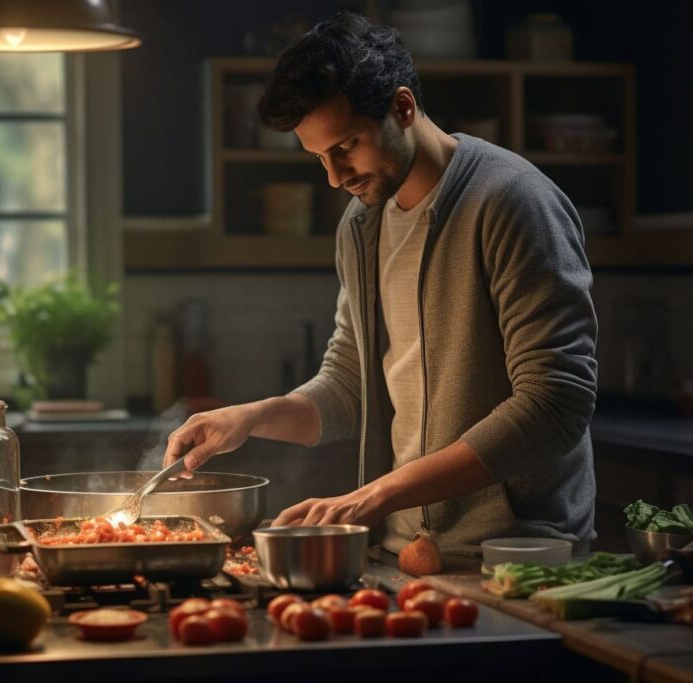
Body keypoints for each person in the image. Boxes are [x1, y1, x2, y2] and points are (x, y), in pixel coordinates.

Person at [163, 11, 598, 559]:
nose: (334, 177)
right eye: (319, 157)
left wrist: (376, 494)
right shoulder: (362, 223)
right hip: (405, 551)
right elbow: (348, 385)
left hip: (515, 556)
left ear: (402, 106)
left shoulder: (512, 202)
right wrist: (250, 418)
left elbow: (555, 404)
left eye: (345, 146)